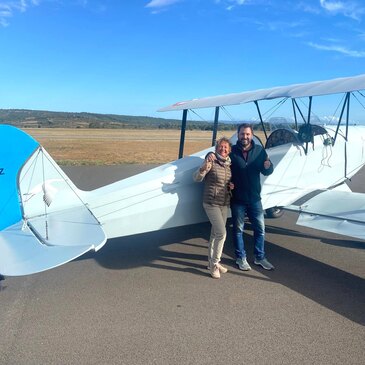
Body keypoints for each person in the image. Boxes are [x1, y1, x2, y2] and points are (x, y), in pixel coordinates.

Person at [229, 123, 274, 271]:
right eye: (242, 134)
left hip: (255, 199)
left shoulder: (260, 151)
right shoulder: (232, 151)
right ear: (238, 135)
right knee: (238, 230)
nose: (245, 137)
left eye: (247, 134)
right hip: (237, 199)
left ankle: (259, 257)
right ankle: (241, 258)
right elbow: (222, 165)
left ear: (252, 135)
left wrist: (269, 166)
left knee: (260, 229)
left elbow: (266, 171)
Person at [193, 137, 234, 279]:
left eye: (226, 148)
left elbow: (226, 182)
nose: (223, 149)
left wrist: (231, 186)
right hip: (211, 202)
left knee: (214, 234)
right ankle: (215, 264)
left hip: (224, 203)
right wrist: (203, 166)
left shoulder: (229, 165)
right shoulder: (211, 161)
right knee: (222, 233)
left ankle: (211, 262)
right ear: (216, 149)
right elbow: (197, 178)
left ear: (229, 150)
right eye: (221, 147)